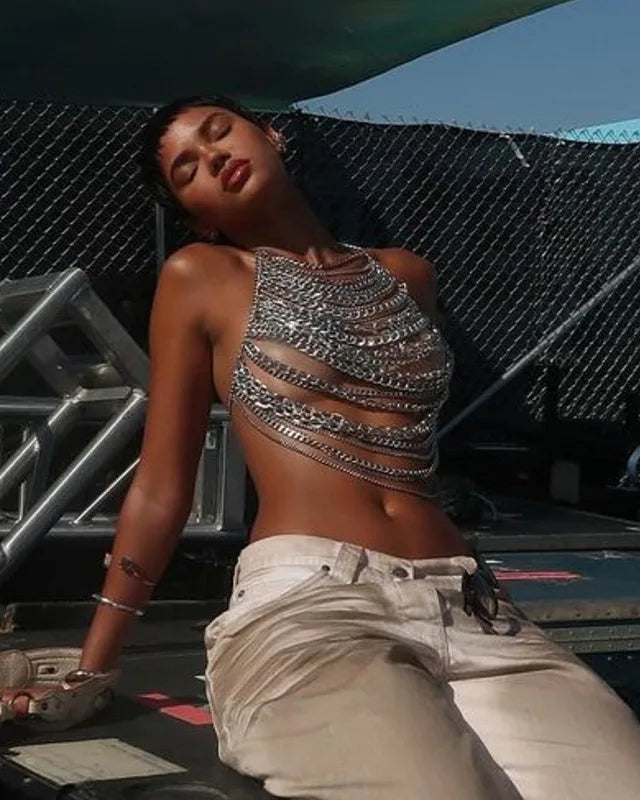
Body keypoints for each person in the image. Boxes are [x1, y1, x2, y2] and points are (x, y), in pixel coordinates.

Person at [3, 95, 640, 799]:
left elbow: (412, 442)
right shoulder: (200, 278)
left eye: (221, 134)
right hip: (312, 606)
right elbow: (162, 486)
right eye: (190, 169)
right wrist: (96, 665)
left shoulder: (408, 276)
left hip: (469, 604)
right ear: (197, 214)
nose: (214, 157)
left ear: (270, 134)